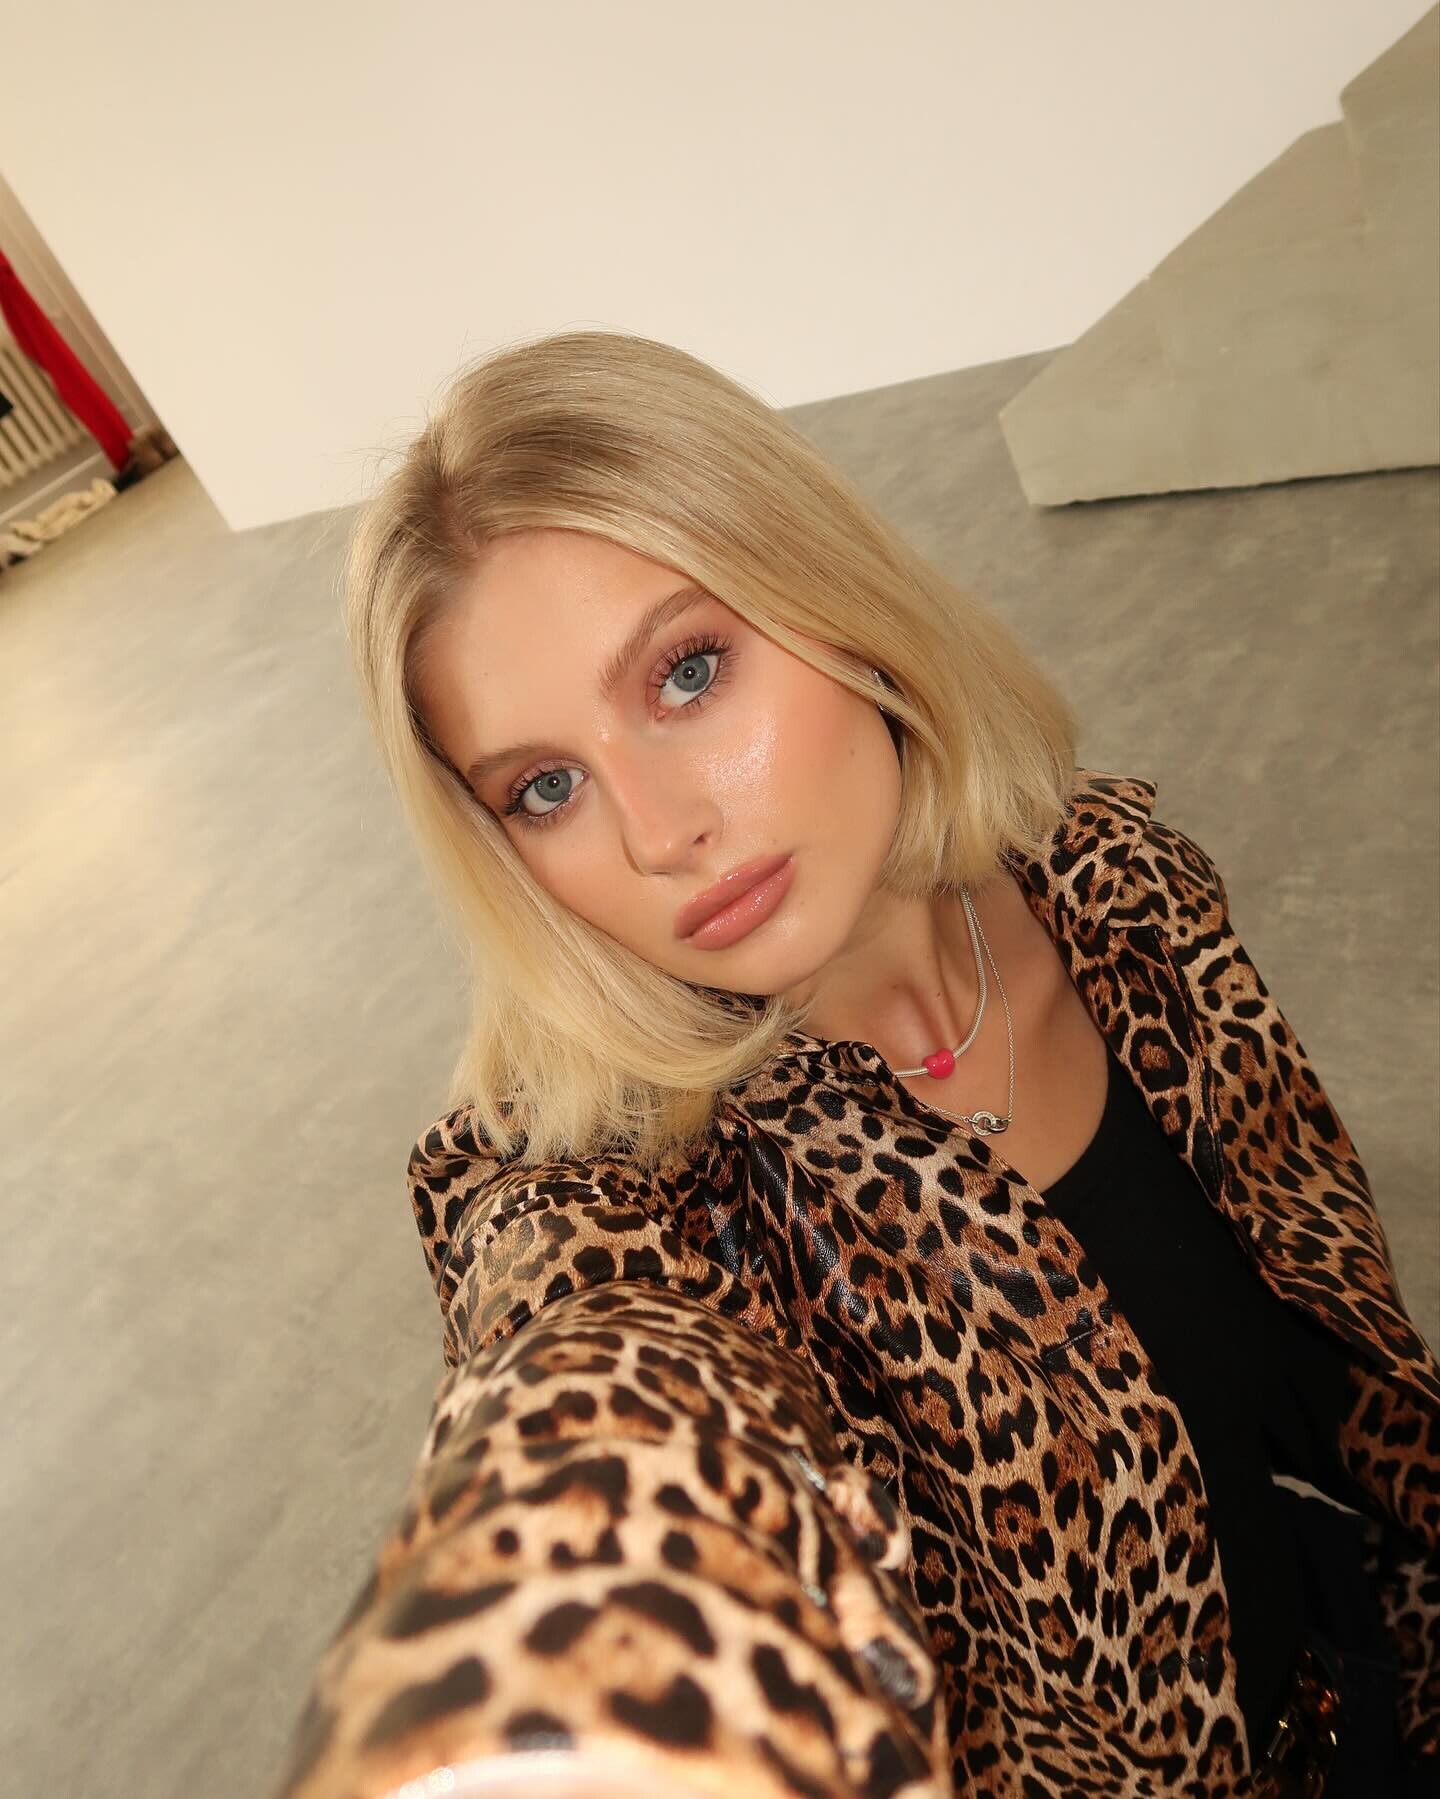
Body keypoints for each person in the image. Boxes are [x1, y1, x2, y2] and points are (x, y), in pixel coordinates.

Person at [274, 330, 1439, 1798]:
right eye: (546, 787)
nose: (659, 832)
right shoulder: (615, 1200)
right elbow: (585, 1388)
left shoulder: (1116, 879)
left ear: (838, 603)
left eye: (689, 672)